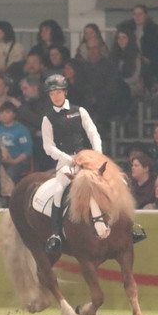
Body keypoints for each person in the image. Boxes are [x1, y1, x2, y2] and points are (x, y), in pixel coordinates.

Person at [39, 73, 103, 255]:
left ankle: (128, 226)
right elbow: (48, 147)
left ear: (65, 92)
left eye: (58, 92)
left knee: (112, 182)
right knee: (59, 191)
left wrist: (97, 154)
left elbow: (93, 133)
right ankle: (56, 234)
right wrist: (67, 158)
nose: (56, 96)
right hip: (65, 162)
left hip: (86, 157)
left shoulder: (79, 111)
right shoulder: (48, 118)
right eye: (52, 94)